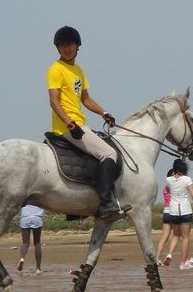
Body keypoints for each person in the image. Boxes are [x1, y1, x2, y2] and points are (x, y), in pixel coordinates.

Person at [47, 25, 130, 219]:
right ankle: (106, 203)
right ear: (58, 48)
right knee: (109, 153)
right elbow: (53, 101)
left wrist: (104, 113)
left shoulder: (78, 70)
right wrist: (69, 123)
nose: (67, 48)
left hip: (79, 123)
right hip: (66, 127)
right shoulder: (55, 69)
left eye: (70, 44)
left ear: (77, 46)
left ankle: (79, 206)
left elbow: (86, 99)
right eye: (62, 45)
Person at [162, 159, 193, 270]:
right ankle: (183, 263)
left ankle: (169, 254)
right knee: (185, 238)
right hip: (185, 210)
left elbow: (168, 190)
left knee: (176, 235)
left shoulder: (168, 180)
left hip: (173, 211)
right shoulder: (187, 179)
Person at [17, 205, 45, 274]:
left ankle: (22, 258)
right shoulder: (39, 196)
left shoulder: (25, 196)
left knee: (25, 243)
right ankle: (38, 269)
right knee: (37, 243)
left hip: (25, 218)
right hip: (37, 218)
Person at [155, 169, 174, 265]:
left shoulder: (165, 188)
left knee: (164, 237)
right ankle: (169, 254)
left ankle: (157, 258)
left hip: (166, 212)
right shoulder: (174, 187)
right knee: (177, 236)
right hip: (173, 212)